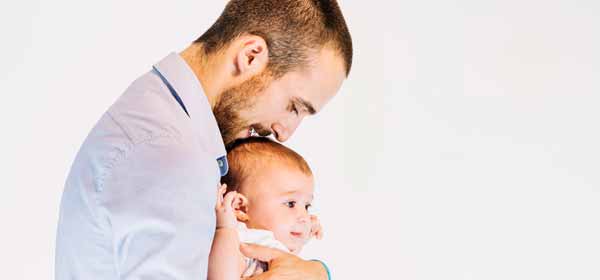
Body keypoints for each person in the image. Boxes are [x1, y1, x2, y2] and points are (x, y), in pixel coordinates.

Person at [55, 0, 352, 279]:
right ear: (251, 56)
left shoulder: (160, 116)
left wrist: (314, 270)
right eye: (294, 106)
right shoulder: (167, 153)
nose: (284, 133)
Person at [209, 137, 324, 279]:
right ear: (240, 207)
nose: (304, 217)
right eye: (291, 204)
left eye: (306, 206)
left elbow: (290, 261)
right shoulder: (241, 240)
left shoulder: (267, 240)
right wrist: (224, 229)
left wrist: (304, 237)